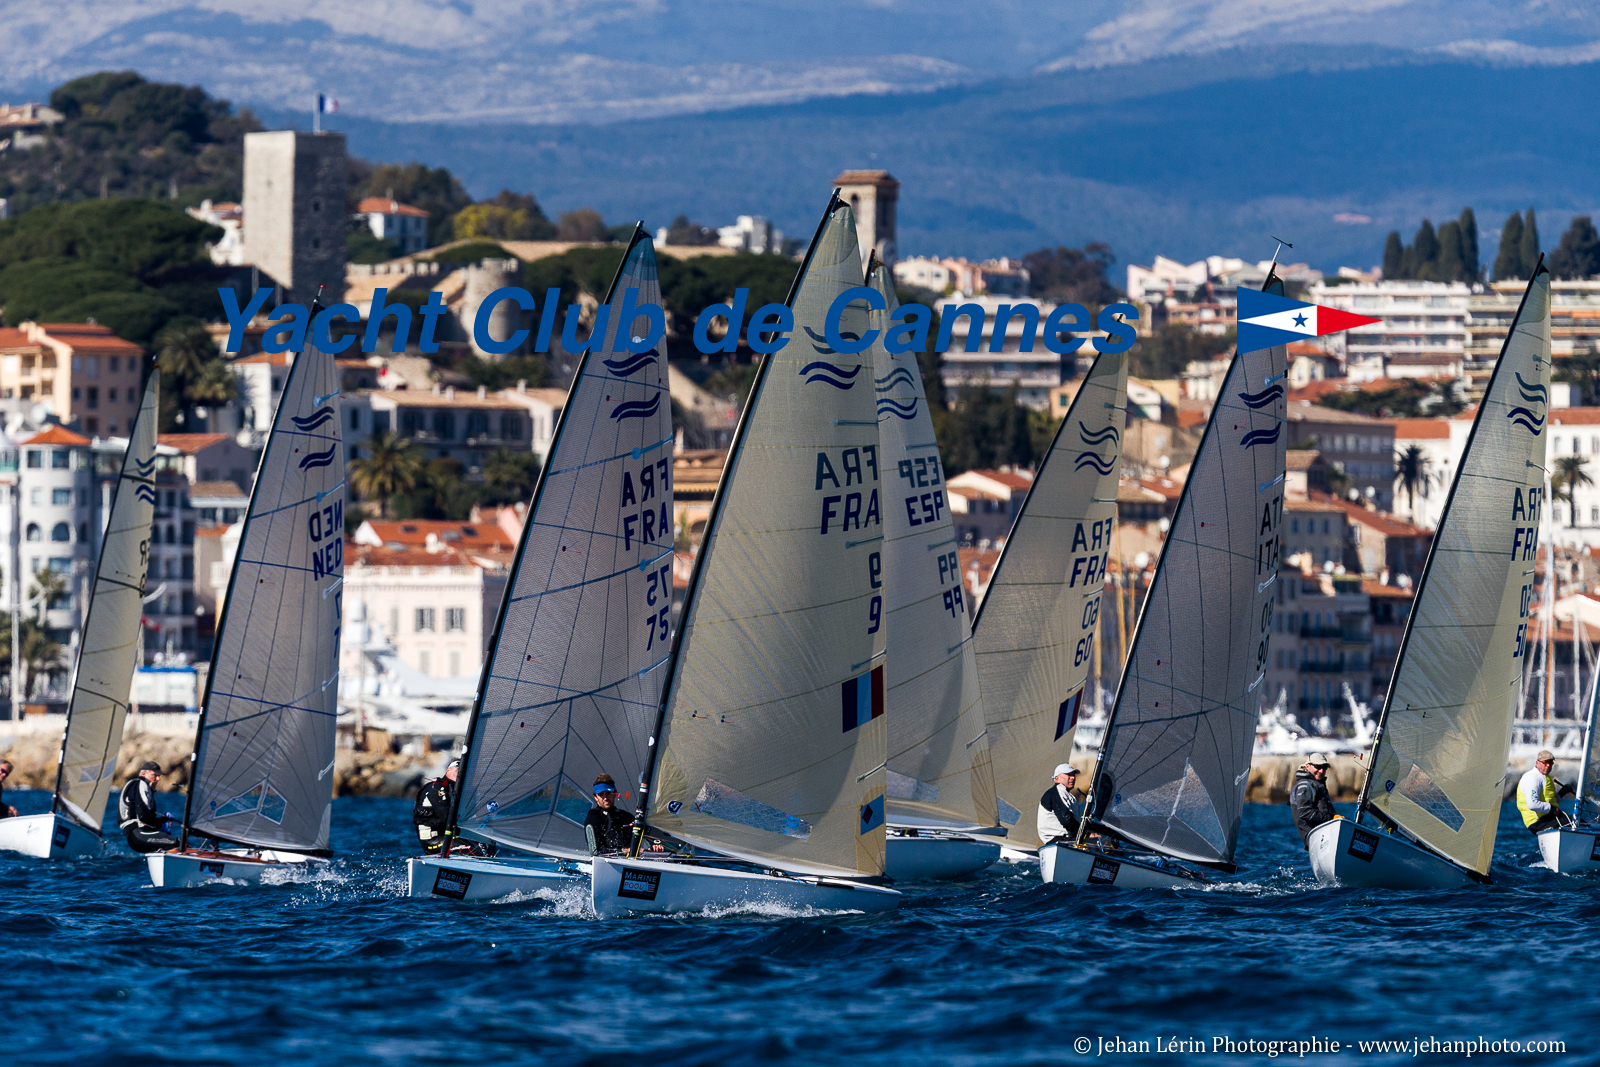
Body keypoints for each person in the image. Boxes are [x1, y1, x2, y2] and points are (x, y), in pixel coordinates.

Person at [118, 761, 178, 854]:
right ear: (143, 774)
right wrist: (160, 825)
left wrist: (162, 820)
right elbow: (144, 817)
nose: (158, 779)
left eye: (159, 776)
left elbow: (145, 816)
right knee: (179, 843)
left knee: (172, 844)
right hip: (138, 834)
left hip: (138, 835)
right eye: (154, 775)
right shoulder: (140, 784)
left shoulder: (143, 787)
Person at [1517, 750, 1574, 835]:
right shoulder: (1532, 778)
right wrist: (1552, 809)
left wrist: (1562, 793)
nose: (1548, 766)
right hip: (1538, 822)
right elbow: (1532, 804)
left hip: (1549, 818)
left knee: (1581, 821)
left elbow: (1551, 802)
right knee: (1580, 824)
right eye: (1545, 763)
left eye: (1551, 763)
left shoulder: (1546, 778)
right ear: (1537, 762)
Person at [412, 758, 460, 855]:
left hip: (445, 836)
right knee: (475, 845)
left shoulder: (455, 790)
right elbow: (446, 817)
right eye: (457, 771)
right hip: (431, 841)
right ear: (448, 771)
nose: (459, 774)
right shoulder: (438, 788)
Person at [1289, 753, 1337, 847]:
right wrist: (1332, 818)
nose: (1321, 771)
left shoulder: (1315, 784)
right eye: (1318, 767)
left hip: (1323, 837)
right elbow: (1305, 812)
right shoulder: (1306, 785)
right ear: (1308, 766)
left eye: (1324, 768)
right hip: (1316, 838)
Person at [585, 774, 635, 855]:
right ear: (595, 797)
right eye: (601, 794)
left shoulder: (627, 817)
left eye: (608, 793)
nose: (605, 798)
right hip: (607, 864)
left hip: (631, 863)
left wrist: (655, 845)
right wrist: (624, 851)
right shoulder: (593, 817)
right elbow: (596, 852)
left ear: (615, 793)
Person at [1037, 764, 1082, 845]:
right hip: (1058, 840)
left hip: (1065, 839)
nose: (1073, 777)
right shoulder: (1057, 791)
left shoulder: (1070, 796)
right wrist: (1086, 834)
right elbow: (1066, 820)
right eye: (1068, 775)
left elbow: (1078, 821)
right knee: (1104, 845)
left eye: (1073, 775)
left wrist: (1101, 829)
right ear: (1057, 778)